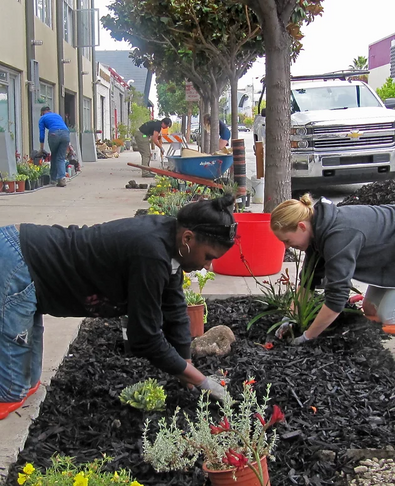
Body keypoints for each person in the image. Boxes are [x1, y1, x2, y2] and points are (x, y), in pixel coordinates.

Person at [0, 194, 237, 419]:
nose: (208, 266)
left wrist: (185, 363)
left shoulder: (169, 241)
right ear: (188, 239)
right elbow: (145, 337)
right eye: (208, 256)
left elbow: (174, 307)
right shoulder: (151, 253)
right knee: (10, 393)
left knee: (29, 383)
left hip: (29, 264)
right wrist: (201, 381)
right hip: (15, 264)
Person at [270, 194, 395, 345]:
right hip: (389, 256)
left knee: (389, 317)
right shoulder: (316, 230)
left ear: (302, 226)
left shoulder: (338, 238)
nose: (286, 247)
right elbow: (308, 283)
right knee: (370, 309)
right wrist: (289, 318)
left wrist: (307, 337)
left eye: (287, 240)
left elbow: (336, 298)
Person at [39, 107, 70, 187]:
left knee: (54, 156)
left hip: (54, 134)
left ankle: (53, 179)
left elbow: (41, 134)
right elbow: (63, 127)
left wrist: (41, 149)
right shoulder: (57, 116)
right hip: (66, 134)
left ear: (42, 112)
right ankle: (61, 178)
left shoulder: (42, 118)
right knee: (61, 158)